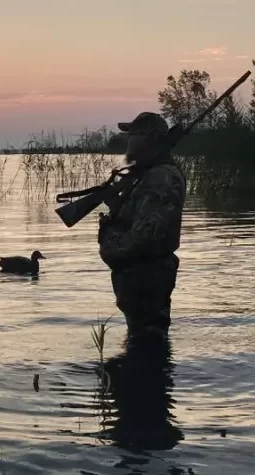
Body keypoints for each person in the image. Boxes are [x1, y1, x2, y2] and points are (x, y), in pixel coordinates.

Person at [98, 112, 186, 340]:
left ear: (148, 137)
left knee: (148, 345)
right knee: (140, 341)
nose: (128, 141)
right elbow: (138, 217)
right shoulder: (147, 174)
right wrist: (116, 204)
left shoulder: (161, 177)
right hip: (137, 277)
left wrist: (111, 246)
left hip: (147, 278)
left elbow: (147, 235)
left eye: (133, 135)